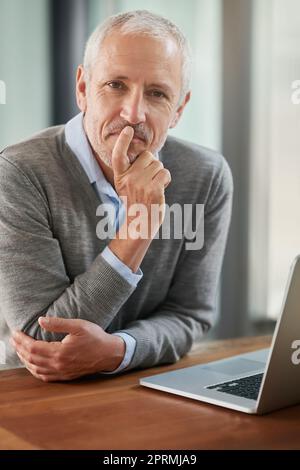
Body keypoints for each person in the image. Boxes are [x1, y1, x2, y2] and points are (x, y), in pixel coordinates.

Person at [0, 10, 233, 381]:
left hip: (144, 384)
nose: (133, 112)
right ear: (82, 89)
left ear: (179, 109)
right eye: (115, 85)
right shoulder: (19, 172)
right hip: (32, 395)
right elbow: (45, 338)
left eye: (157, 93)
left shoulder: (205, 176)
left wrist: (119, 351)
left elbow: (192, 315)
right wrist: (137, 230)